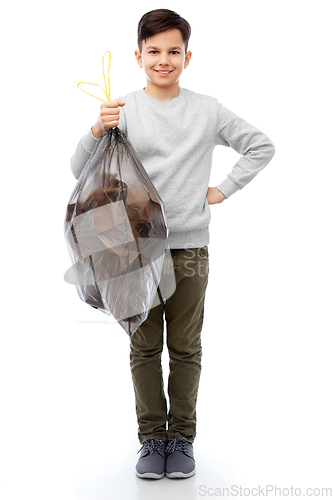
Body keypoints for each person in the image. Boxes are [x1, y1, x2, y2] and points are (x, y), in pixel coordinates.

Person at [70, 8, 275, 480]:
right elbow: (79, 168)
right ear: (139, 56)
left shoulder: (207, 109)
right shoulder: (121, 107)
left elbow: (260, 145)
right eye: (154, 52)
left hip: (188, 251)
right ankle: (151, 440)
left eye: (174, 51)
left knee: (184, 347)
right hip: (132, 251)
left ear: (188, 56)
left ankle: (181, 438)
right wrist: (96, 130)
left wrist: (223, 189)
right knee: (144, 347)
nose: (164, 60)